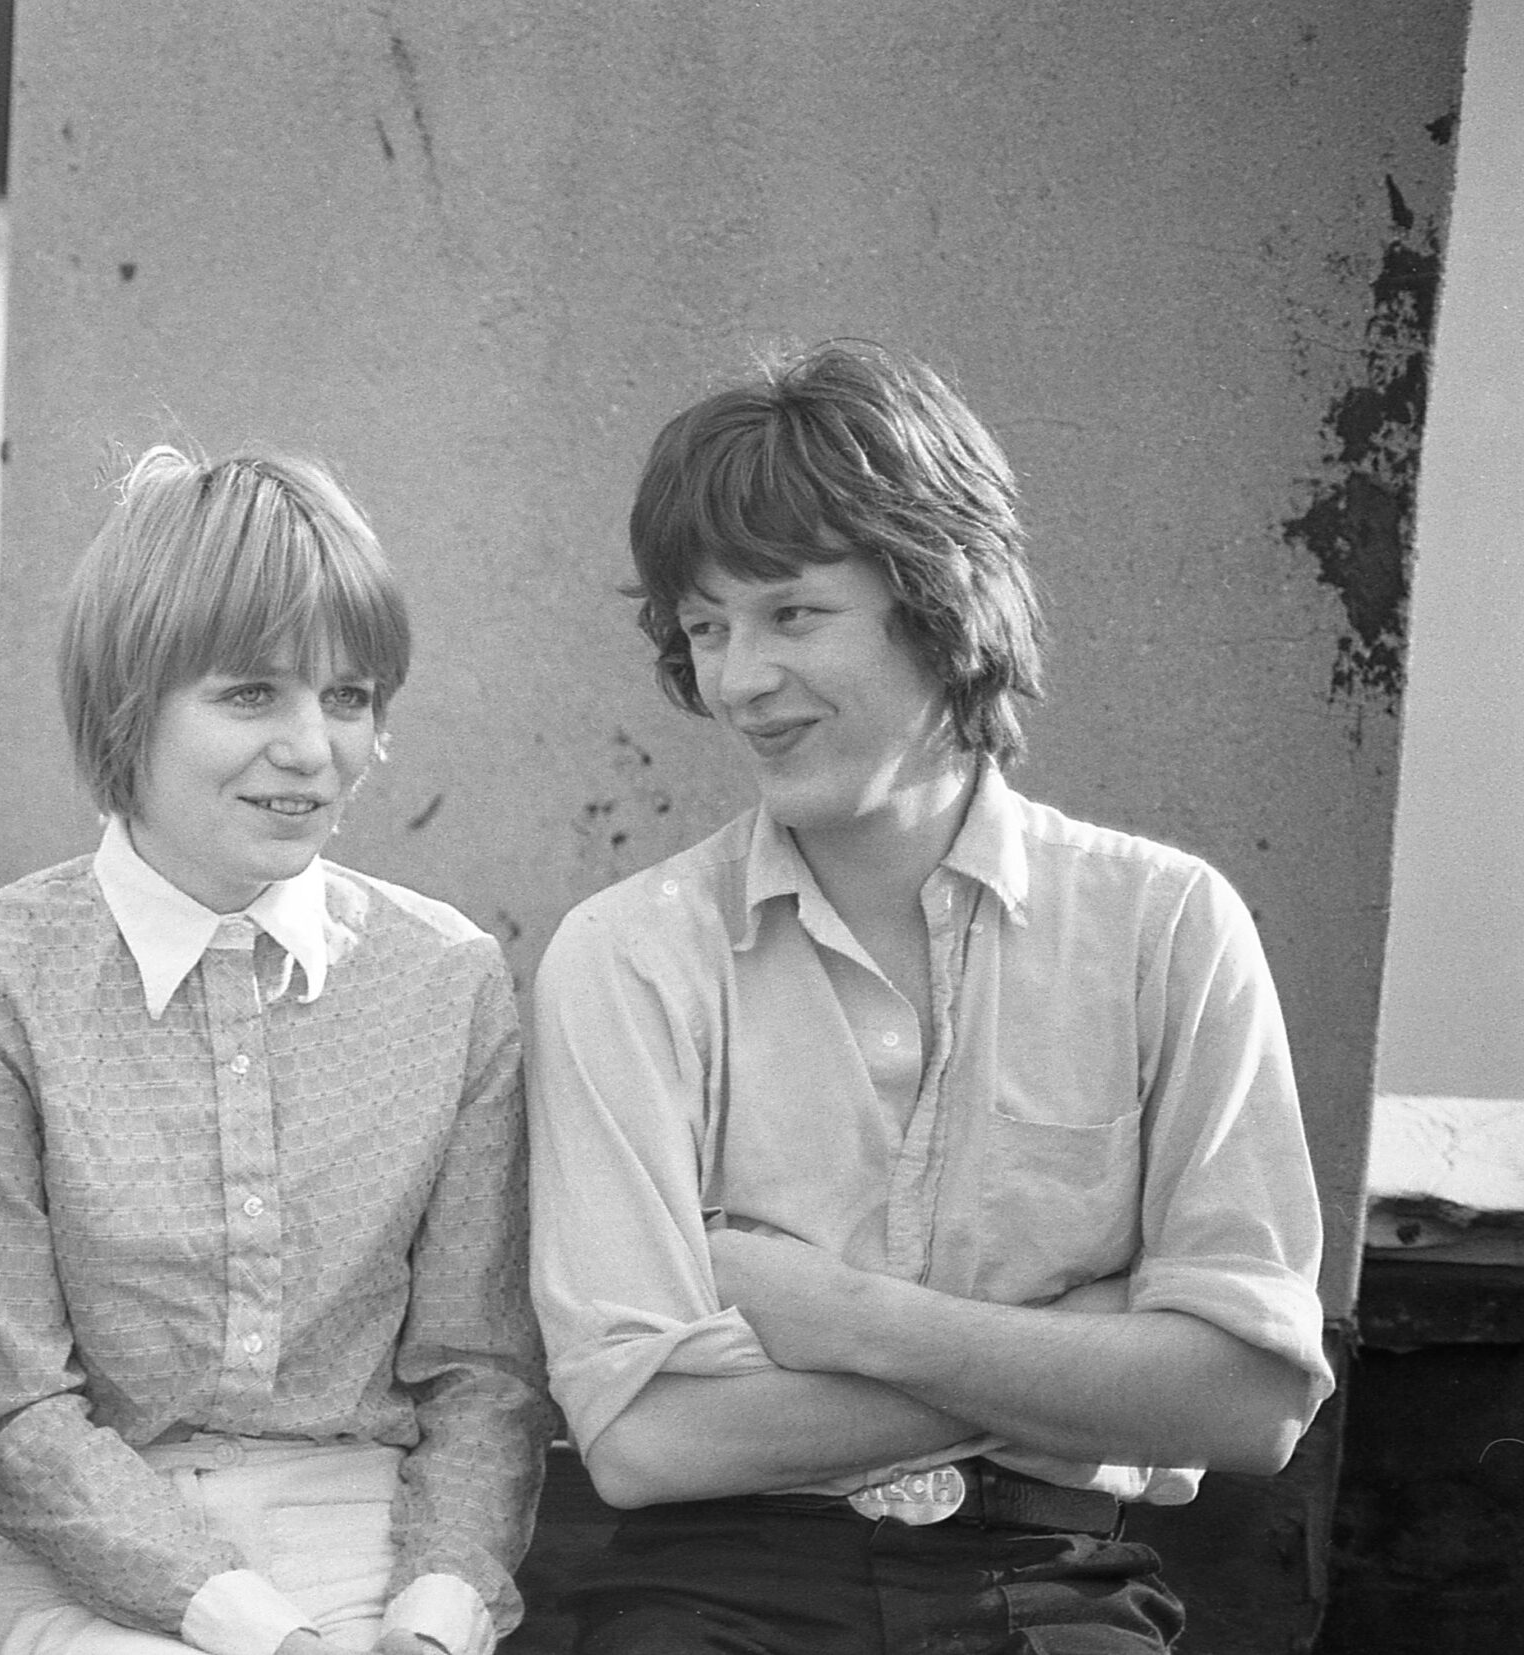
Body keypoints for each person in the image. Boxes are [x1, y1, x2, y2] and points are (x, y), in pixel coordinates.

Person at [527, 343, 1333, 1654]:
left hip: (1054, 1571)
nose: (736, 677)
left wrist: (847, 1319)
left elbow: (1246, 1398)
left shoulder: (1166, 927)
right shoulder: (627, 958)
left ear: (941, 594)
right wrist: (1085, 1359)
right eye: (705, 626)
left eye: (791, 612)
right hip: (715, 1582)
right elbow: (648, 1439)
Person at [0, 446, 554, 1655]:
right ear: (126, 703)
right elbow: (14, 1418)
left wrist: (432, 1618)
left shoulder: (444, 976)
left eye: (349, 697)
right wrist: (270, 1639)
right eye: (251, 693)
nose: (313, 747)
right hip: (84, 1565)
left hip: (379, 1546)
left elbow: (482, 1376)